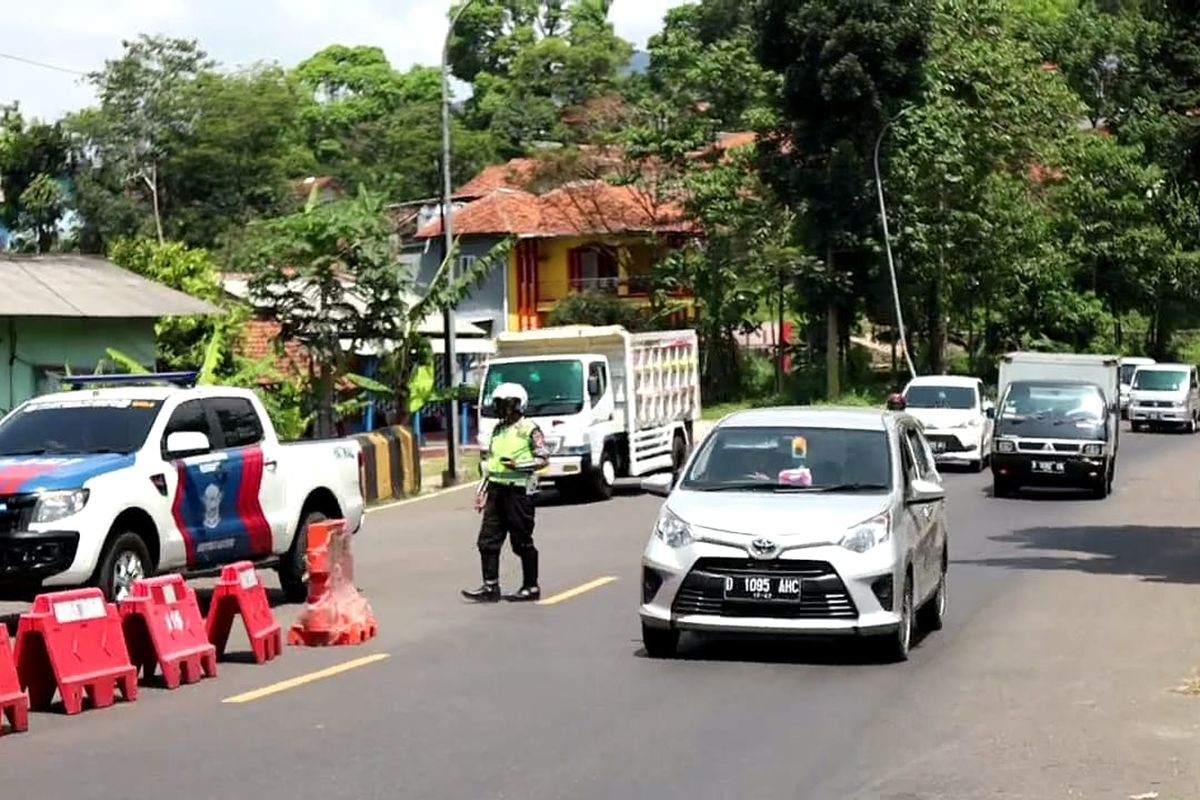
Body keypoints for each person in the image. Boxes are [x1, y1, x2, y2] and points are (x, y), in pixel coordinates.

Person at [462, 382, 549, 603]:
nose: (504, 409)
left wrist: (518, 465)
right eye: (500, 404)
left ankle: (531, 586)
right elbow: (489, 464)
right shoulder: (497, 430)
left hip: (519, 492)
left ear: (519, 405)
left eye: (508, 404)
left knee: (521, 541)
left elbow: (543, 458)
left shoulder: (530, 429)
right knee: (487, 541)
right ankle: (490, 587)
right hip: (496, 490)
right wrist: (482, 491)